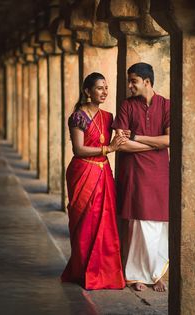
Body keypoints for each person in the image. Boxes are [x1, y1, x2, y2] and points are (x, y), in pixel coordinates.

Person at [61, 72, 126, 290]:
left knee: (105, 221)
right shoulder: (78, 117)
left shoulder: (108, 117)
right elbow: (78, 150)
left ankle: (104, 272)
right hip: (83, 172)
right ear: (88, 91)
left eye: (106, 88)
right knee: (84, 223)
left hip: (103, 173)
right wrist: (109, 148)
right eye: (100, 88)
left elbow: (122, 136)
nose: (105, 92)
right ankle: (82, 271)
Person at [112, 63, 170, 292]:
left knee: (158, 223)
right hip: (134, 173)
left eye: (133, 81)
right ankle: (136, 275)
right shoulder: (127, 106)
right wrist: (153, 144)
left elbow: (170, 140)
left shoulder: (166, 105)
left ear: (147, 81)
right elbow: (121, 144)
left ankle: (156, 274)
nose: (129, 85)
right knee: (137, 224)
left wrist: (137, 136)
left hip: (159, 173)